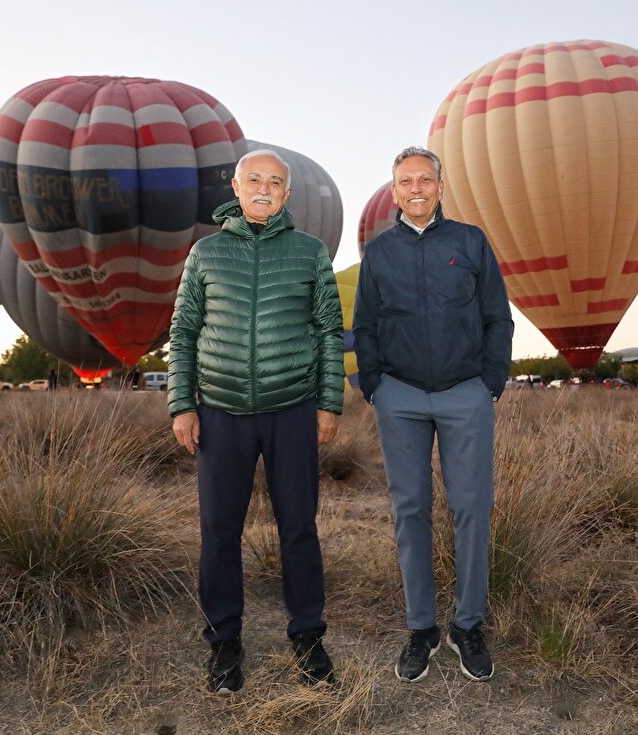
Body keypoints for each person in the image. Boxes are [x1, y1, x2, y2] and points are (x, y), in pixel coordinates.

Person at [168, 149, 344, 694]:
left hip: (292, 411)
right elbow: (183, 333)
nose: (264, 189)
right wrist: (182, 403)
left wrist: (329, 402)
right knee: (219, 531)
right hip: (221, 414)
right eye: (254, 180)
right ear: (236, 188)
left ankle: (308, 636)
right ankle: (224, 643)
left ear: (287, 195)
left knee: (299, 529)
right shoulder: (206, 253)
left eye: (275, 182)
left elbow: (330, 332)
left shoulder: (310, 253)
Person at [353, 146, 514, 683]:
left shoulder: (470, 242)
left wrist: (489, 383)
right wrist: (375, 385)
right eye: (405, 181)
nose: (416, 188)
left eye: (425, 179)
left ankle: (467, 625)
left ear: (440, 188)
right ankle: (421, 627)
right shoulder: (379, 253)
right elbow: (366, 325)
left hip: (464, 392)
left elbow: (497, 316)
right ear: (393, 191)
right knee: (411, 511)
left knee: (471, 508)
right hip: (399, 395)